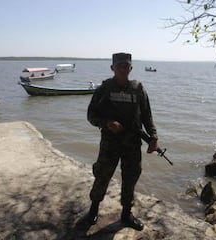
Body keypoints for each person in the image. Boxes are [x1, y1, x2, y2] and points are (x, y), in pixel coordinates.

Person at [86, 52, 158, 231]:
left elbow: (147, 115)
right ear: (112, 68)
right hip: (110, 143)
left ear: (131, 68)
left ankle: (126, 214)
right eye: (119, 66)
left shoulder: (138, 88)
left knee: (130, 178)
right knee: (102, 175)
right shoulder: (104, 89)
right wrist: (107, 123)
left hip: (132, 144)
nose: (123, 69)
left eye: (126, 66)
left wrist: (153, 137)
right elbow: (91, 115)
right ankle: (93, 209)